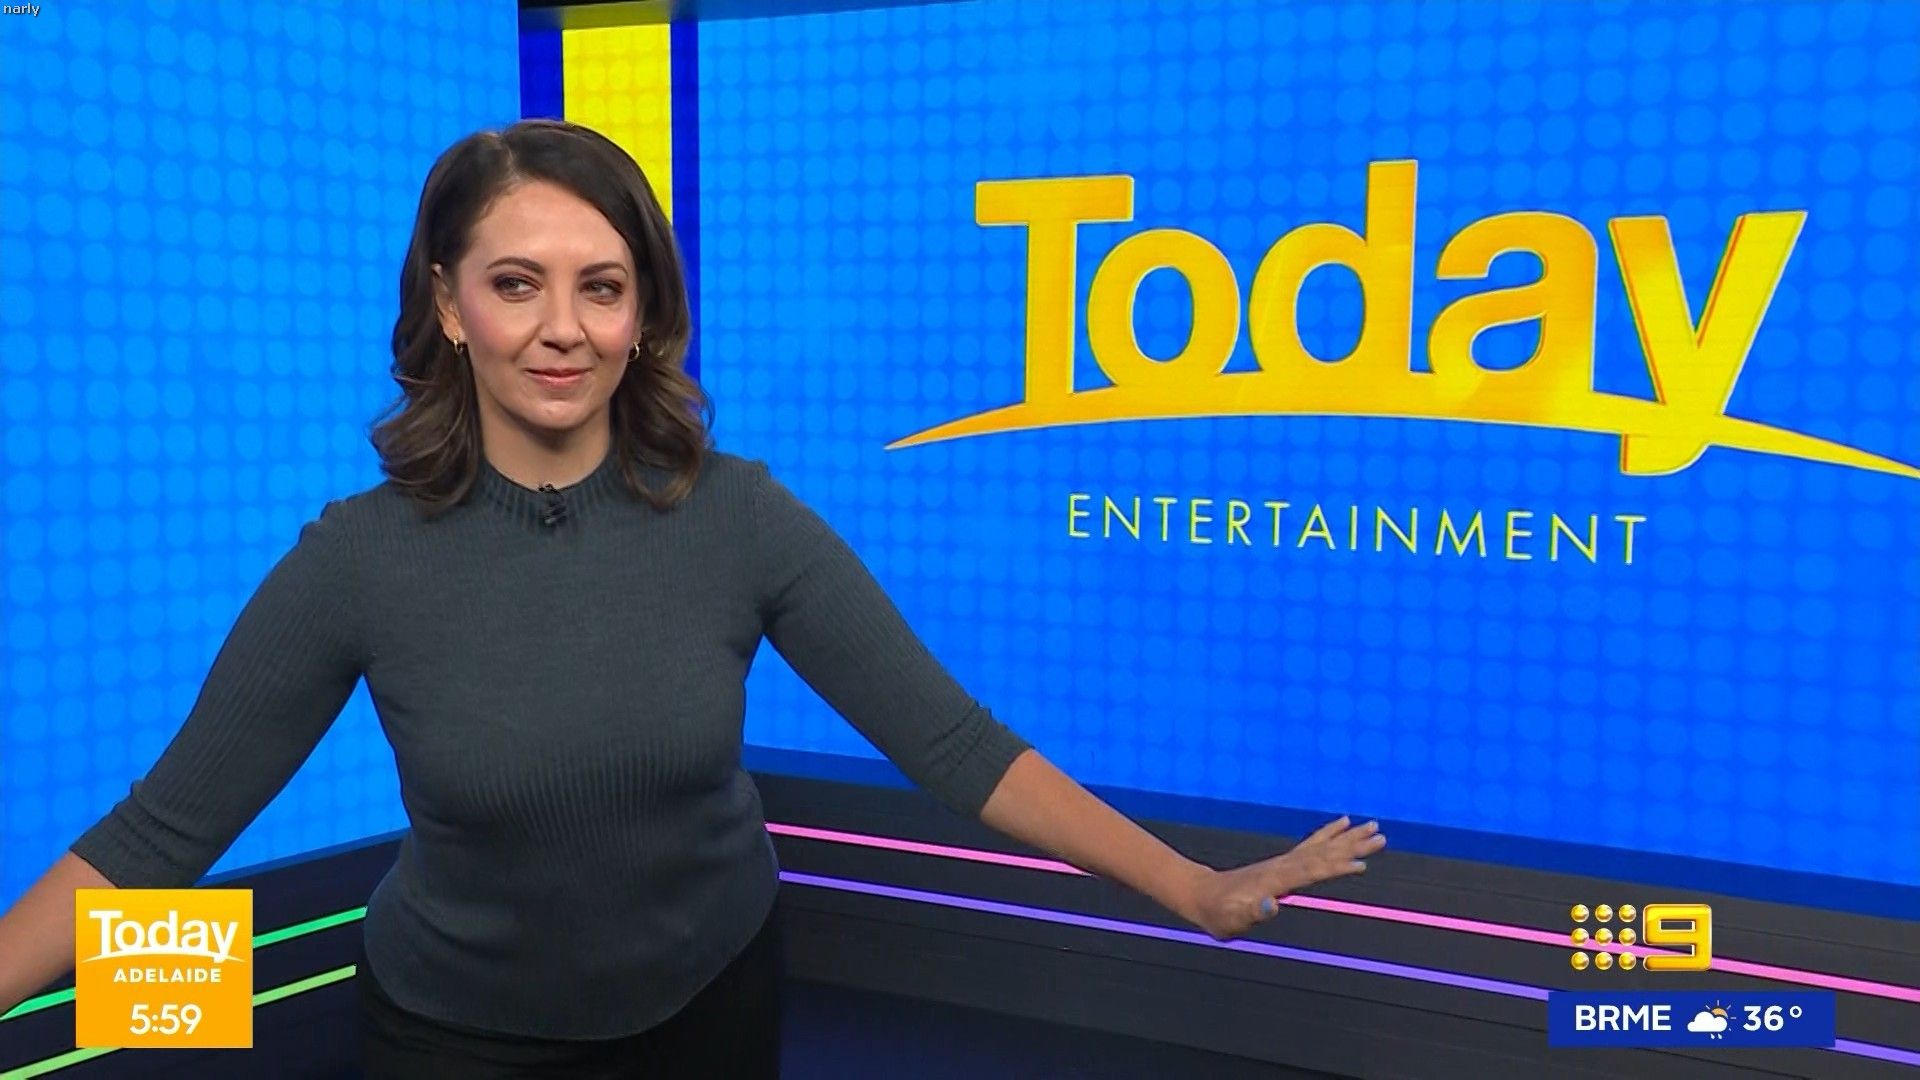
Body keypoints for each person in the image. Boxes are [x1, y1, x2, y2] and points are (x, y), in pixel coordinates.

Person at [0, 118, 1386, 1078]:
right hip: (458, 1037)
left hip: (712, 1003)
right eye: (516, 285)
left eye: (601, 288)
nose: (562, 327)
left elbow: (953, 744)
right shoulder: (355, 561)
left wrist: (1190, 886)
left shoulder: (740, 516)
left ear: (645, 313)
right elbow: (155, 836)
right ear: (448, 304)